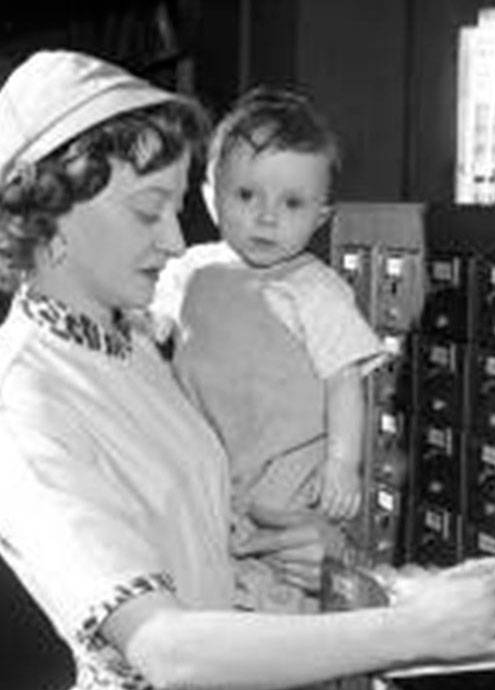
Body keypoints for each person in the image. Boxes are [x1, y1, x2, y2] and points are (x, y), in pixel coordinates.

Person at [0, 49, 495, 690]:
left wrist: (296, 545)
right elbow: (164, 645)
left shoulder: (134, 343)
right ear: (53, 211)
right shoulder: (20, 398)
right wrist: (415, 630)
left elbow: (192, 520)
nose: (174, 236)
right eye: (147, 209)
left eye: (180, 205)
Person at [152, 86, 381, 615]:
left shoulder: (314, 288)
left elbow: (344, 380)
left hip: (282, 476)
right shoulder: (189, 269)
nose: (267, 217)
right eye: (247, 196)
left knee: (277, 593)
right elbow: (152, 329)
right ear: (211, 196)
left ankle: (281, 681)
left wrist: (343, 463)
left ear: (321, 216)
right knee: (205, 584)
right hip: (208, 466)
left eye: (292, 203)